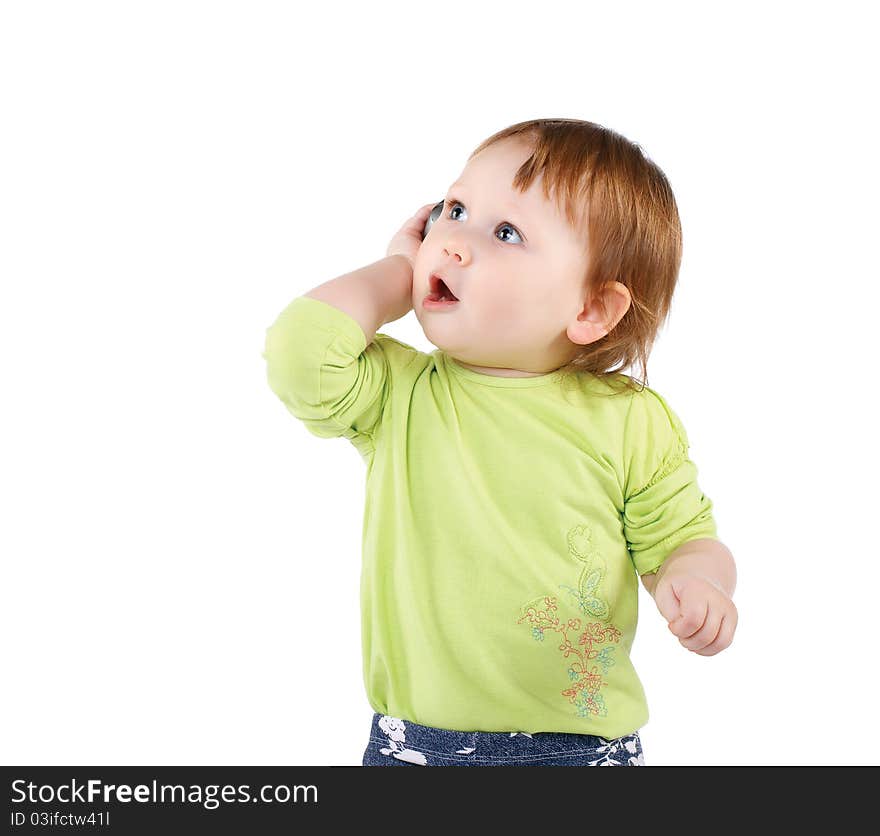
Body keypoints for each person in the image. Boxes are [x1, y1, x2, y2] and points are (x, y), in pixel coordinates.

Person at [262, 118, 738, 766]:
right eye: (452, 210)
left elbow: (683, 537)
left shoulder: (630, 421)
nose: (452, 241)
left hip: (579, 752)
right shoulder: (400, 393)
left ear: (592, 309)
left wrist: (698, 582)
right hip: (412, 747)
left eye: (505, 232)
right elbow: (298, 351)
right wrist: (398, 271)